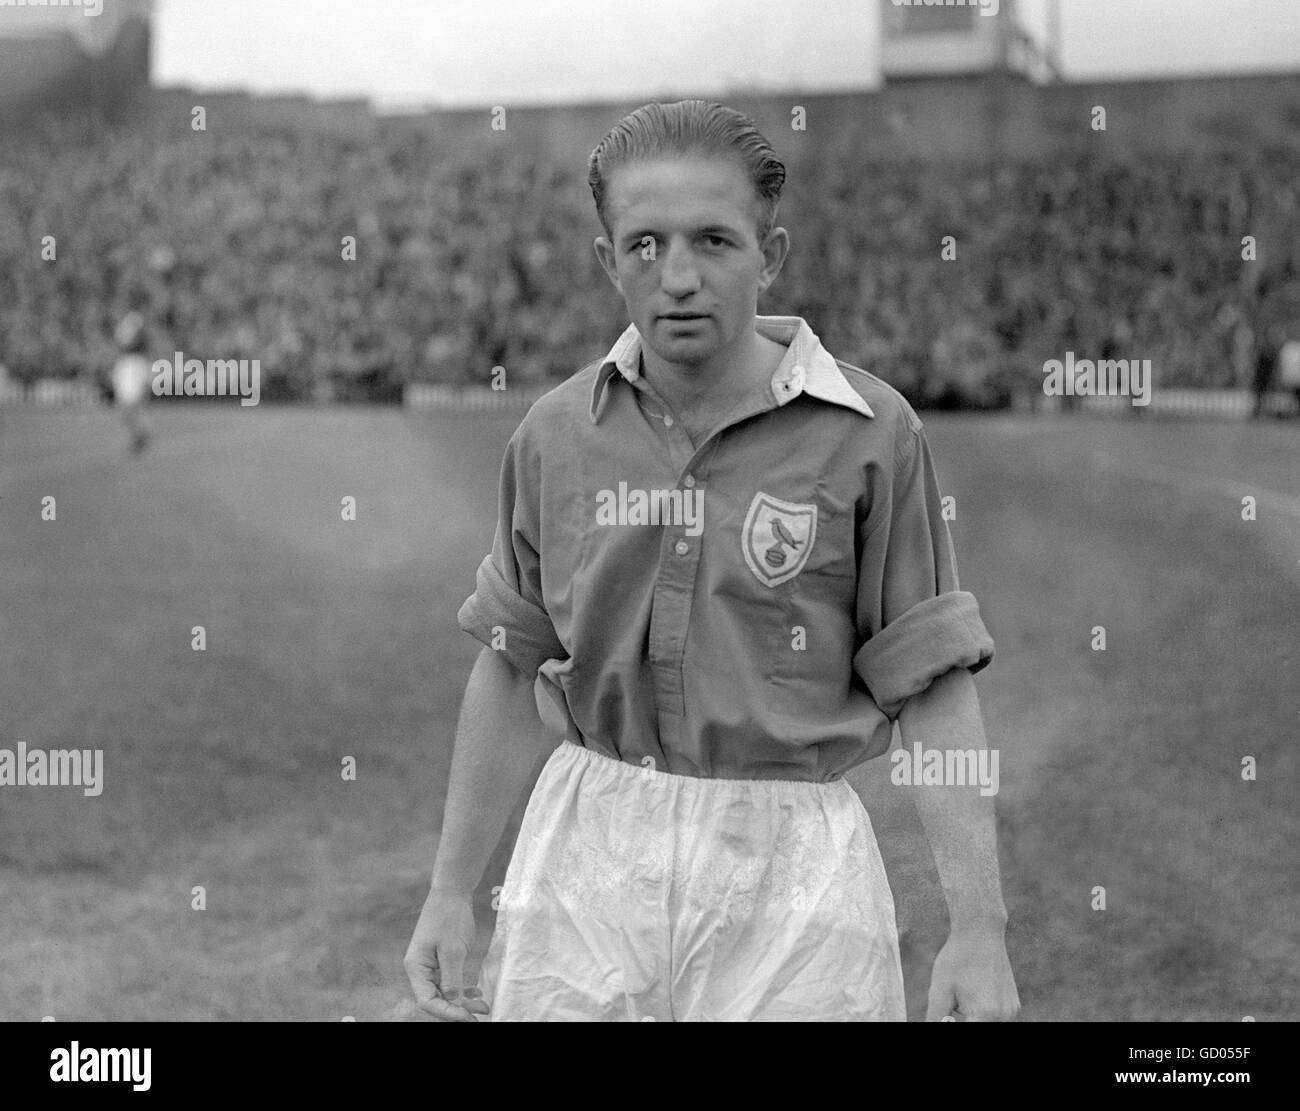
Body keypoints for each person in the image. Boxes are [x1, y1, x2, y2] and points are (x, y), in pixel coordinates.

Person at [405, 101, 1020, 1022]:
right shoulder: (554, 436)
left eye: (715, 241)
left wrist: (980, 927)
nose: (679, 276)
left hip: (798, 879)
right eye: (646, 244)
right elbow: (508, 660)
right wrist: (451, 888)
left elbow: (930, 682)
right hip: (585, 856)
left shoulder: (872, 432)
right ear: (608, 260)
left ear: (769, 255)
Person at [111, 310, 152, 453]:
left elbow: (131, 343)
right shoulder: (129, 324)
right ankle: (140, 435)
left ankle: (140, 436)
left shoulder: (134, 323)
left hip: (132, 366)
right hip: (128, 365)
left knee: (128, 408)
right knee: (126, 410)